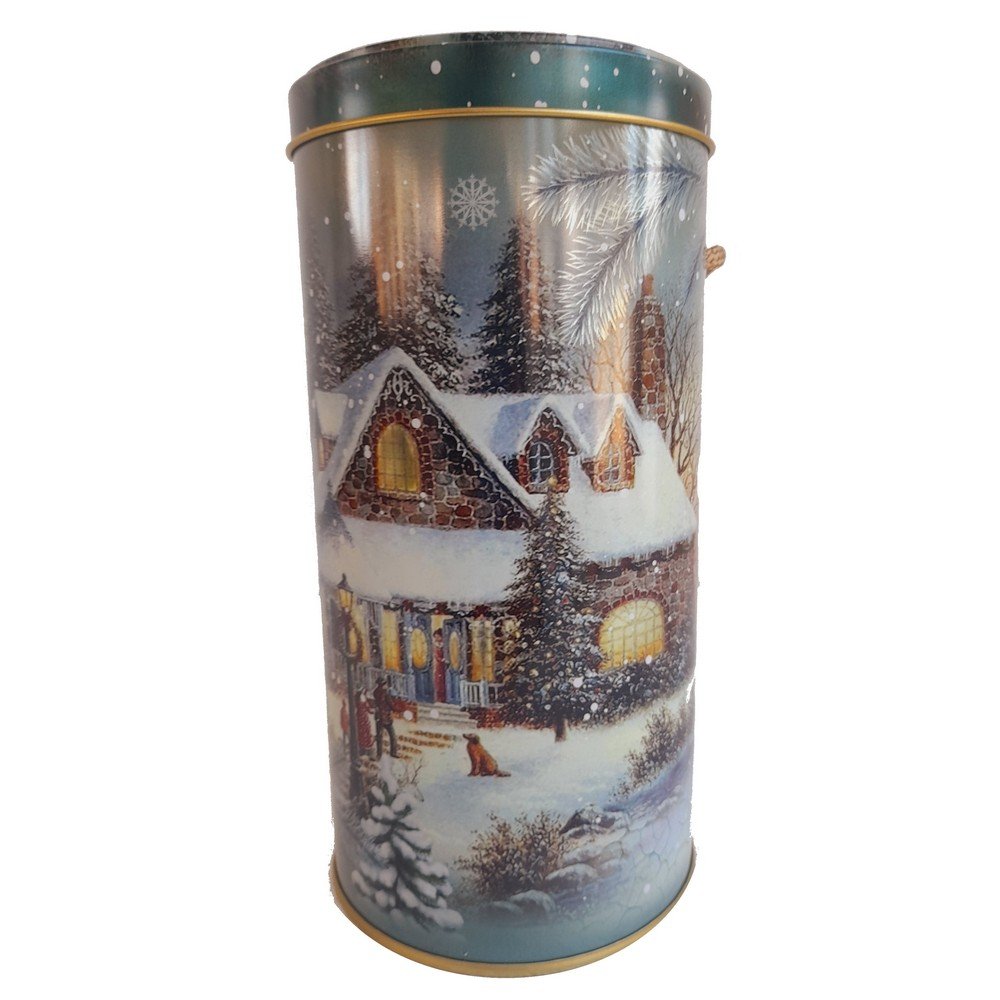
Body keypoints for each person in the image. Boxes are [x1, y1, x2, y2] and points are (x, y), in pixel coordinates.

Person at [373, 677, 399, 759]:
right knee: (392, 735)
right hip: (386, 717)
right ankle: (393, 752)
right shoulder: (385, 693)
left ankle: (379, 755)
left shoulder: (375, 692)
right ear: (383, 684)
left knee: (379, 736)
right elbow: (391, 705)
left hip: (378, 717)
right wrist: (397, 709)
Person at [355, 689, 374, 756]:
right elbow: (368, 708)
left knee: (364, 733)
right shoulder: (361, 699)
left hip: (363, 719)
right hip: (362, 719)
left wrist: (372, 711)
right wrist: (372, 711)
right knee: (363, 733)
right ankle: (364, 749)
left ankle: (364, 749)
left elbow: (368, 708)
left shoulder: (360, 699)